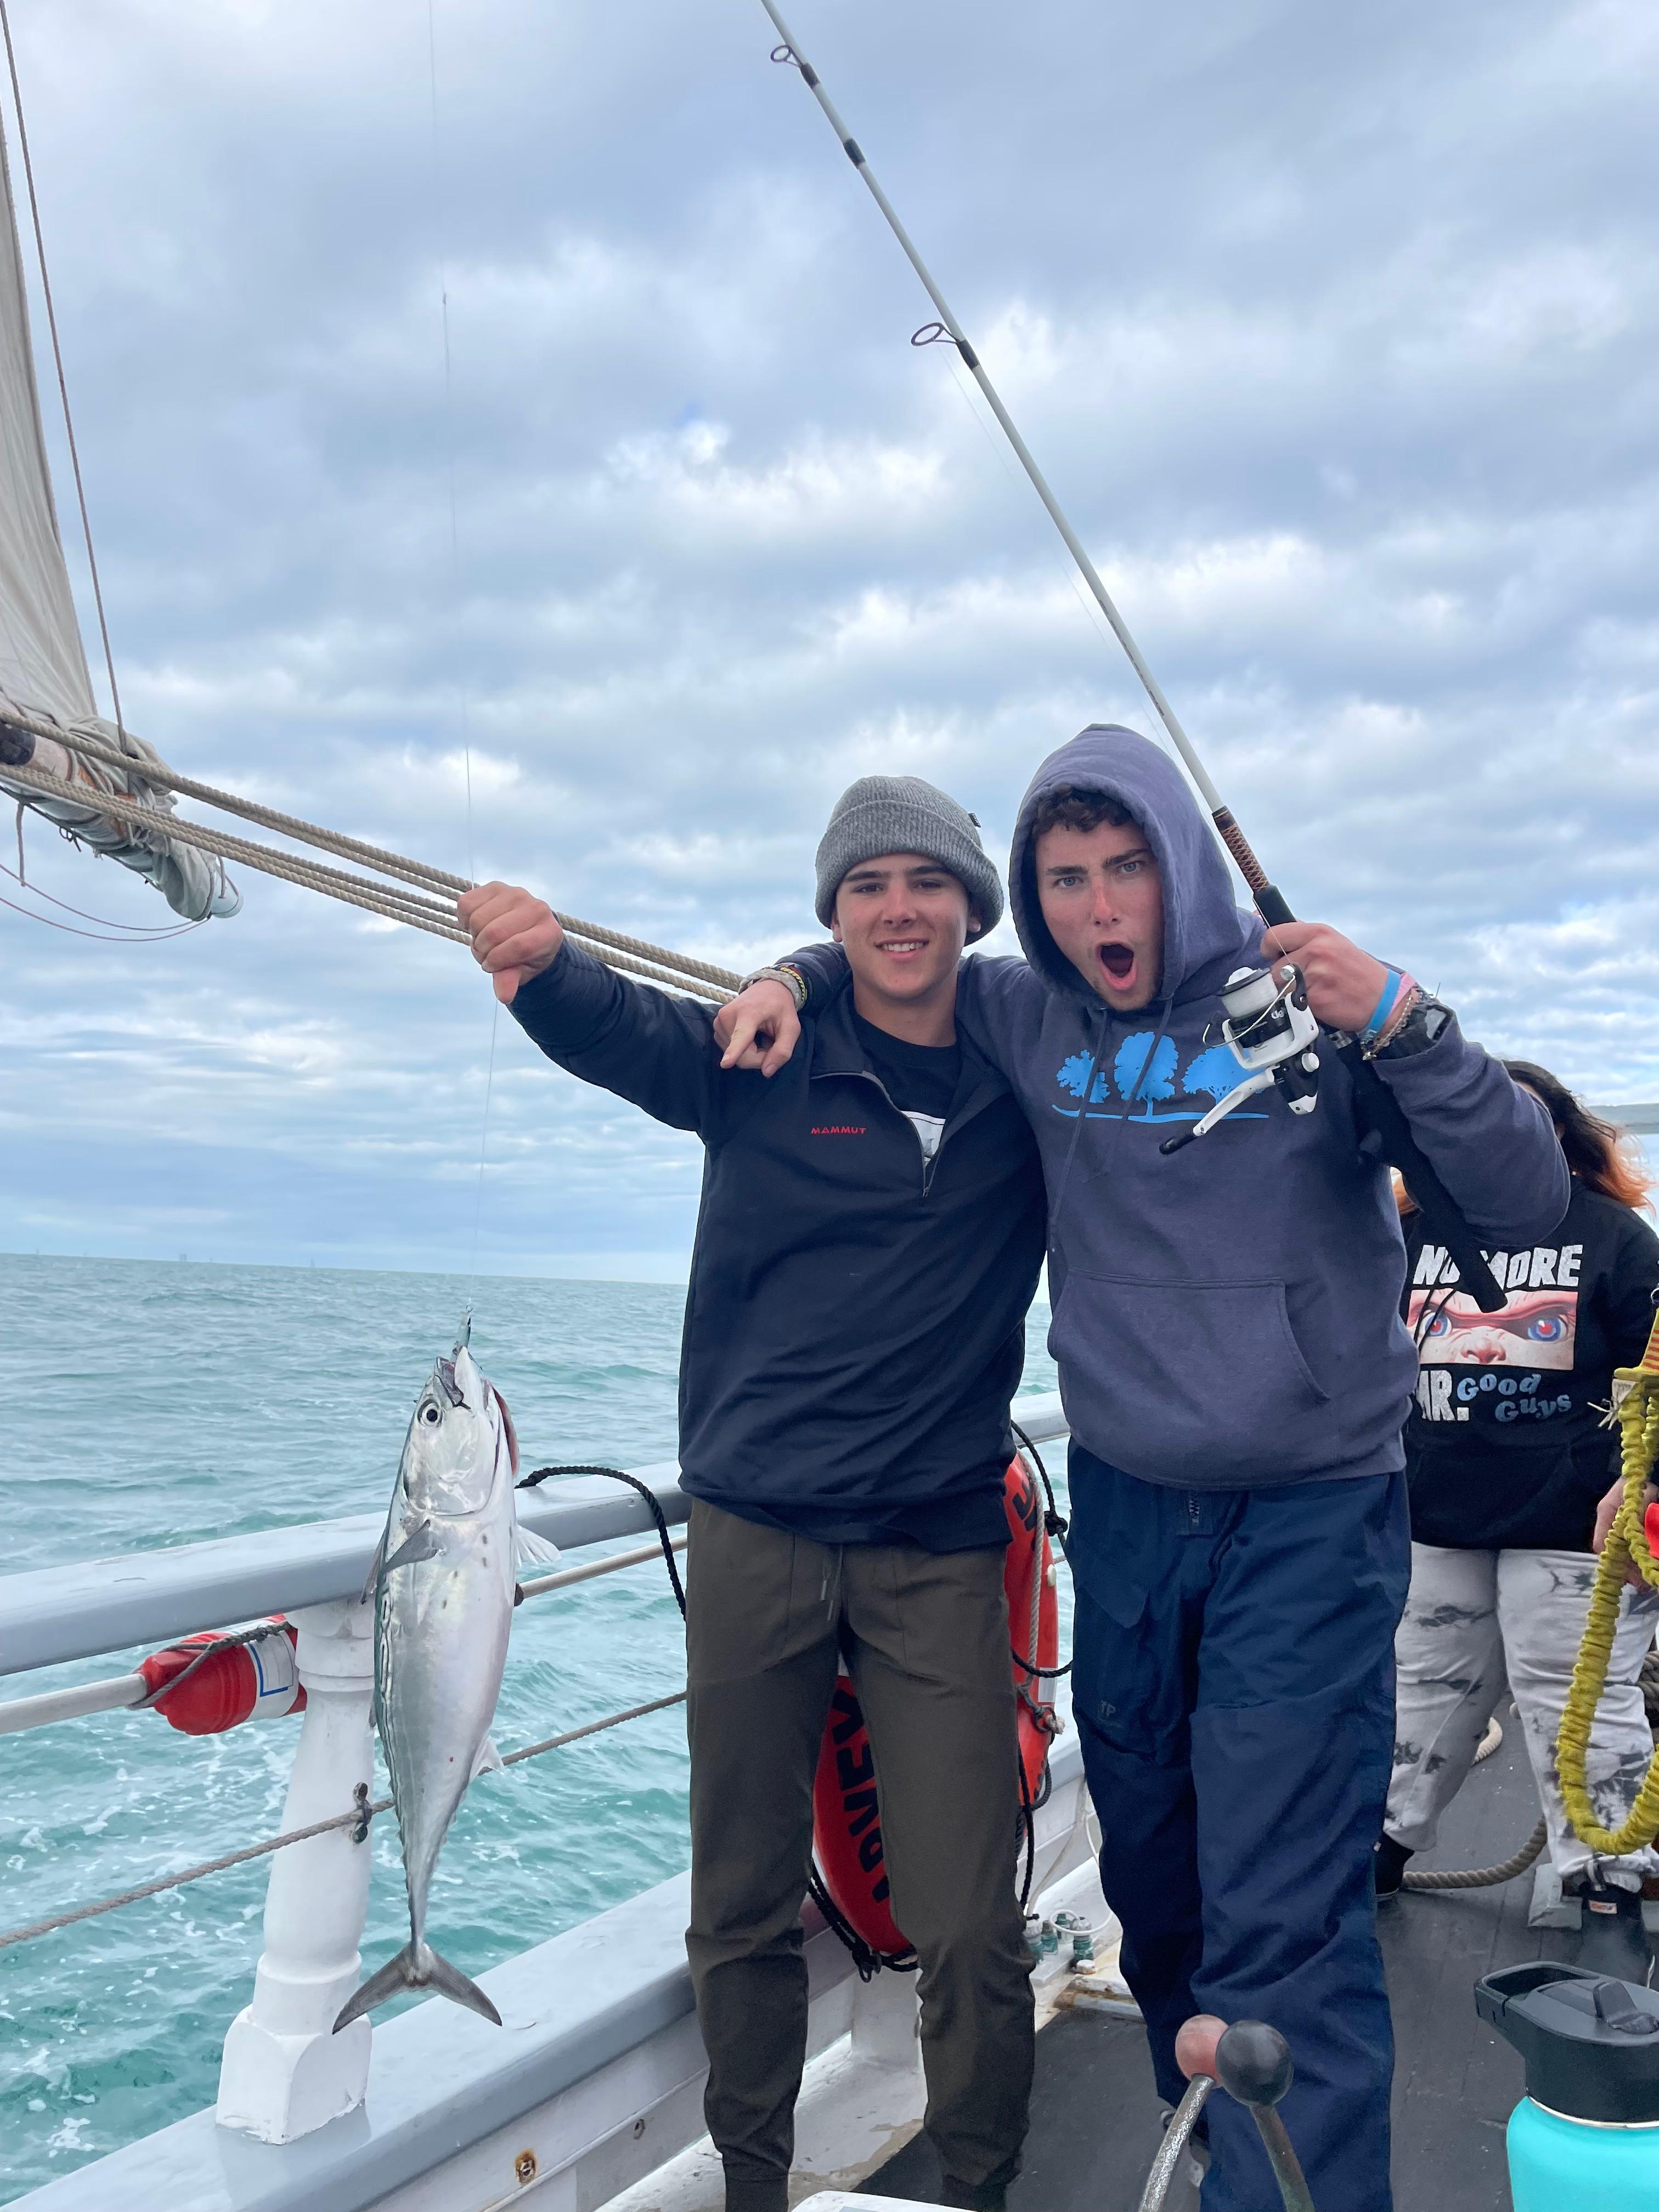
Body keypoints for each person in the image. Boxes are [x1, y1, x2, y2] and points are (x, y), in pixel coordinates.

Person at [716, 723, 1568, 2212]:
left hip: (1306, 1514)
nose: (1101, 909)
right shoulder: (1021, 1016)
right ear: (1031, 897)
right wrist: (788, 975)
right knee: (1157, 1886)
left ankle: (1285, 2187)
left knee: (1285, 1923)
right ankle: (1219, 2119)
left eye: (1126, 870)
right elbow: (887, 943)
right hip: (1122, 1511)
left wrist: (1412, 1024)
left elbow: (1521, 1193)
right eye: (1065, 878)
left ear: (1180, 864)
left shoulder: (1309, 1012)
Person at [459, 775, 1047, 2212]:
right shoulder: (763, 1050)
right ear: (833, 916)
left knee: (971, 1917)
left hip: (936, 1544)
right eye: (864, 889)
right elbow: (632, 1036)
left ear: (970, 905)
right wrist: (539, 968)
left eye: (925, 882)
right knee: (740, 1901)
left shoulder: (1028, 1066)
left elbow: (1151, 1039)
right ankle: (755, 2188)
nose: (898, 910)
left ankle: (984, 2184)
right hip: (758, 1534)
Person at [1379, 1066, 1659, 1957]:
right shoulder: (1403, 1232)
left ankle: (1610, 1877)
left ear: (1559, 1135)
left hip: (1578, 1518)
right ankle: (1381, 1847)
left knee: (1575, 1699)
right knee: (1423, 1689)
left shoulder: (1617, 1239)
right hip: (1439, 1513)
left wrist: (1644, 1485)